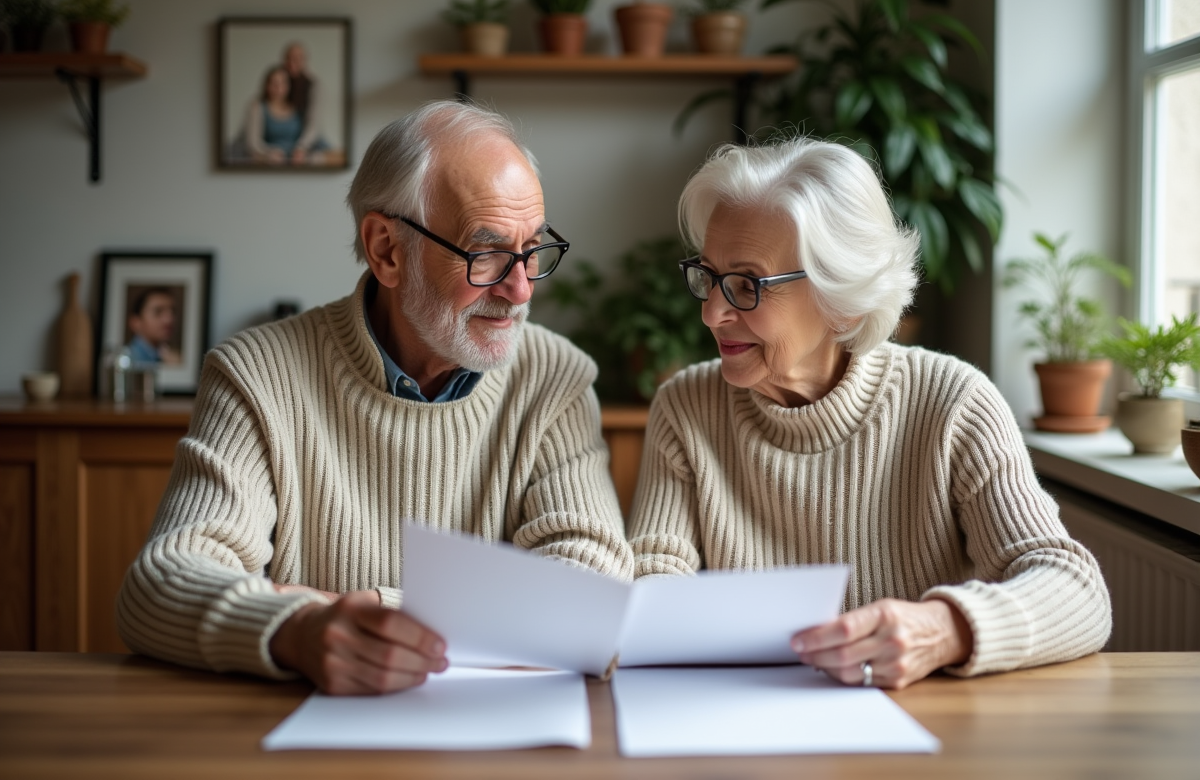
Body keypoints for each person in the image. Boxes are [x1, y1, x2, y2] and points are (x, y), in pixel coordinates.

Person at [117, 100, 633, 695]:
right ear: (387, 249)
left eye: (533, 248)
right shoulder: (258, 375)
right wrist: (296, 628)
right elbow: (160, 585)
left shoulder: (554, 378)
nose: (520, 288)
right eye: (486, 252)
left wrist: (367, 609)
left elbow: (590, 586)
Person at [627, 137, 1111, 690]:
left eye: (746, 285)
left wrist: (946, 627)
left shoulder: (952, 404)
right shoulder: (687, 407)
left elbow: (1076, 591)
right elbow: (652, 585)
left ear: (844, 299)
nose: (712, 313)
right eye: (709, 277)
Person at [241, 65, 303, 165]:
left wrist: (301, 149)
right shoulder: (257, 107)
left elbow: (306, 136)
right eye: (274, 83)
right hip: (269, 160)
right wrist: (269, 152)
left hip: (295, 160)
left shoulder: (296, 109)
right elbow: (252, 143)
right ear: (267, 85)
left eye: (283, 83)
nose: (278, 88)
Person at [126, 287, 181, 365]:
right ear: (135, 322)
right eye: (158, 312)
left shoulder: (165, 355)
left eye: (173, 312)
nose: (169, 320)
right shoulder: (130, 360)